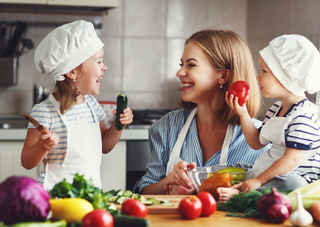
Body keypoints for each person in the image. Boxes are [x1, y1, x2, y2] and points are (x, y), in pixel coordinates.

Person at [136, 29, 270, 195]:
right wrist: (169, 180)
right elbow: (144, 191)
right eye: (181, 64)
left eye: (191, 65)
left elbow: (270, 200)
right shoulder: (166, 127)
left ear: (224, 76)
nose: (179, 73)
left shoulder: (263, 139)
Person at [21, 20, 133, 191]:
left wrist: (119, 125)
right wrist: (41, 146)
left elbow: (104, 146)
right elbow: (27, 162)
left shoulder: (92, 106)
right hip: (54, 197)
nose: (105, 67)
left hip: (89, 195)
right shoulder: (45, 111)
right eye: (98, 61)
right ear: (72, 71)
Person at [218, 34, 320, 202]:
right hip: (272, 171)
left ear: (287, 77)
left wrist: (258, 180)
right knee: (237, 167)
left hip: (295, 176)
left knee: (293, 183)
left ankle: (245, 194)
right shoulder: (276, 109)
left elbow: (291, 160)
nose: (258, 76)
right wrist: (243, 113)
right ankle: (237, 187)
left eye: (264, 71)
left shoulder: (304, 116)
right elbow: (257, 142)